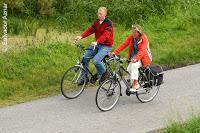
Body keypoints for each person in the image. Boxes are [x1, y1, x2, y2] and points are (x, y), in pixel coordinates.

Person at [75, 7, 114, 84]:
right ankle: (84, 78)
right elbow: (90, 30)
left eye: (101, 14)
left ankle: (105, 73)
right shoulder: (96, 22)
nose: (99, 15)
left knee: (96, 60)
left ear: (105, 14)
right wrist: (81, 36)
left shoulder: (109, 23)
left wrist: (97, 41)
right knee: (85, 58)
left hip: (106, 46)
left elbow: (106, 35)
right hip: (97, 44)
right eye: (98, 13)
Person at [109, 24, 152, 92]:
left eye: (135, 32)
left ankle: (136, 83)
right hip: (134, 58)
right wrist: (115, 52)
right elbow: (124, 44)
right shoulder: (132, 37)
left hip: (144, 58)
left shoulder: (144, 38)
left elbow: (143, 50)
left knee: (134, 66)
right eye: (132, 32)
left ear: (139, 32)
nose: (133, 33)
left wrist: (136, 58)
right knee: (129, 69)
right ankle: (131, 82)